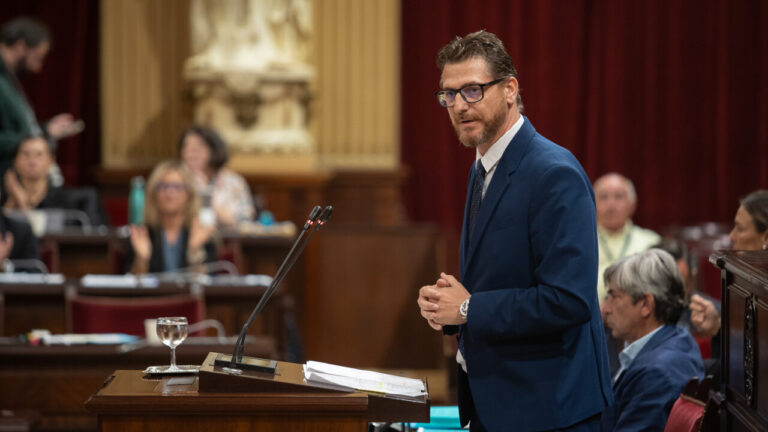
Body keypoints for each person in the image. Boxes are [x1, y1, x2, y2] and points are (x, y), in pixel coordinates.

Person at [416, 30, 612, 431]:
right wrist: (448, 309)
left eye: (473, 90)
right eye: (449, 94)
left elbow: (569, 300)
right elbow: (498, 280)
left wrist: (468, 309)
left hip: (551, 410)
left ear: (510, 89)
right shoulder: (481, 166)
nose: (459, 105)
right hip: (499, 403)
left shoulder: (554, 173)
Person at [601, 249, 705, 431]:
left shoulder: (656, 374)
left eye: (614, 297)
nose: (606, 308)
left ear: (646, 304)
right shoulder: (680, 338)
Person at [0, 17, 82, 182]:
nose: (38, 68)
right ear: (20, 47)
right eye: (37, 57)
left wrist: (45, 130)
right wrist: (37, 137)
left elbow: (13, 130)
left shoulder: (9, 79)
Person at [125, 160, 216, 274]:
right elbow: (131, 282)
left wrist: (195, 252)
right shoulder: (142, 233)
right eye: (163, 186)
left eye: (177, 187)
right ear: (153, 193)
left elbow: (208, 281)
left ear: (189, 195)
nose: (170, 193)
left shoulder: (201, 233)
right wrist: (142, 260)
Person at [2, 136, 106, 228]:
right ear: (15, 161)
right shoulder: (4, 199)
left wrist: (22, 203)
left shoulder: (75, 201)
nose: (32, 161)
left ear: (51, 161)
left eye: (39, 155)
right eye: (26, 154)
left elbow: (99, 237)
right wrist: (14, 198)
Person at [594, 173, 661, 307]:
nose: (611, 204)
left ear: (633, 204)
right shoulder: (581, 243)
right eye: (603, 197)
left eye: (618, 196)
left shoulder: (652, 243)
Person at [178, 126, 255, 228]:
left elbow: (244, 223)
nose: (191, 152)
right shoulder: (175, 181)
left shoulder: (234, 182)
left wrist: (205, 193)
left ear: (214, 150)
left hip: (227, 237)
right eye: (186, 146)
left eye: (198, 146)